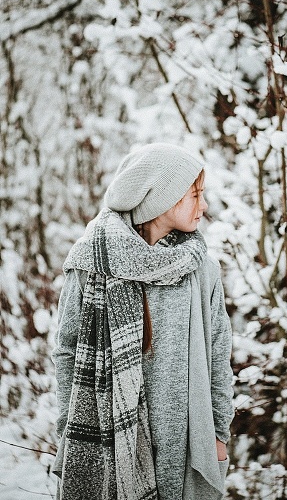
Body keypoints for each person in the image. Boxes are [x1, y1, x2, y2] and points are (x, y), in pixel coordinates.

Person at [52, 143, 235, 499]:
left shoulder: (201, 270)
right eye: (194, 195)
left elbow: (218, 357)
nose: (205, 205)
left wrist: (218, 435)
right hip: (106, 437)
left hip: (182, 442)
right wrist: (68, 430)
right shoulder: (92, 263)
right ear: (159, 199)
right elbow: (67, 352)